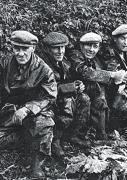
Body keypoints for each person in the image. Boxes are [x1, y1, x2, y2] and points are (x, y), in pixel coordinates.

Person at [0, 30, 57, 179]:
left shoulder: (44, 69)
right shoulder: (4, 64)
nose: (20, 53)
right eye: (16, 48)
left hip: (34, 112)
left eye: (24, 49)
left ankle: (37, 164)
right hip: (8, 111)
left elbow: (49, 96)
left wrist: (27, 109)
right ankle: (24, 138)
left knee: (44, 123)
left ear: (33, 49)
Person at [41, 32, 91, 158]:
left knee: (84, 99)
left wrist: (78, 85)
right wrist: (70, 87)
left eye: (62, 47)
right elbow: (46, 89)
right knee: (67, 103)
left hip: (60, 97)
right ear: (47, 49)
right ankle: (55, 140)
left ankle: (74, 135)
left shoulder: (63, 63)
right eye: (56, 48)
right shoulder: (42, 65)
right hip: (45, 101)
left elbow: (68, 80)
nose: (60, 51)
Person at [69, 32, 126, 139]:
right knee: (97, 95)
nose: (91, 49)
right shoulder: (75, 55)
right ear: (81, 46)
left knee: (108, 94)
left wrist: (120, 81)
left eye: (95, 46)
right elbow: (85, 72)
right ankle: (80, 136)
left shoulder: (95, 59)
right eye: (88, 45)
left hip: (90, 92)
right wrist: (113, 75)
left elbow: (103, 74)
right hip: (74, 93)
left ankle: (104, 132)